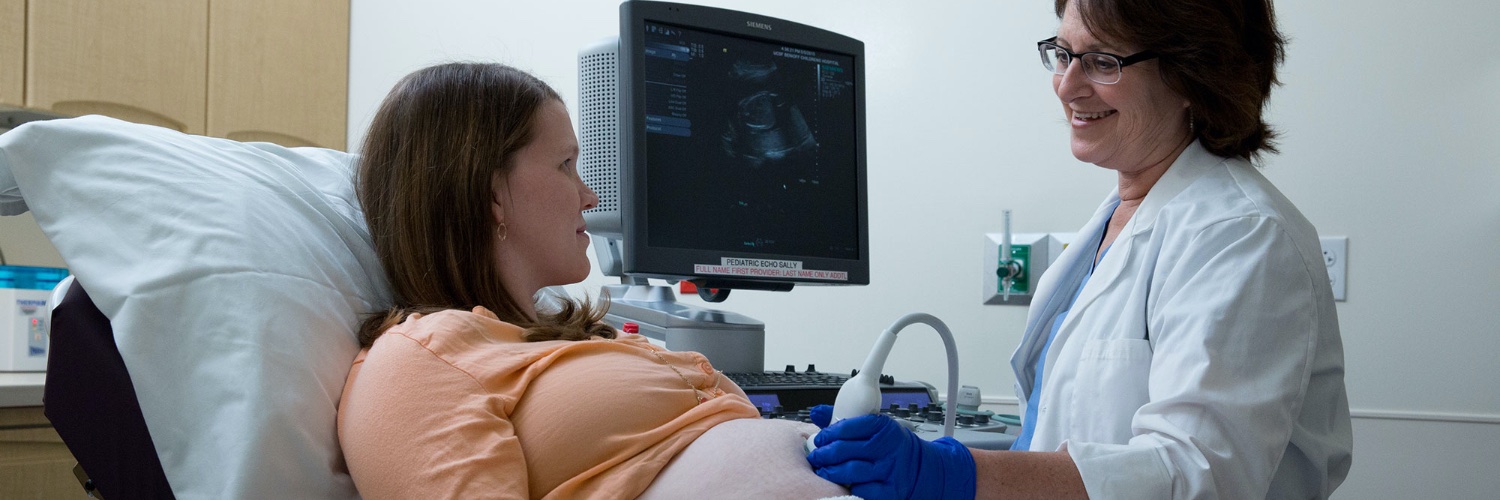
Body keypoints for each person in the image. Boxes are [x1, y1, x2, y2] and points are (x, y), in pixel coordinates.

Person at [806, 0, 1353, 498]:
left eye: (1103, 61)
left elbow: (1195, 475)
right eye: (1063, 54)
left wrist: (952, 473)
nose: (1067, 87)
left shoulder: (1240, 236)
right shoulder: (1116, 221)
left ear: (1194, 70)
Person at [336, 62, 851, 499]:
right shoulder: (418, 362)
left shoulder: (573, 341)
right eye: (566, 165)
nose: (590, 196)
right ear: (490, 193)